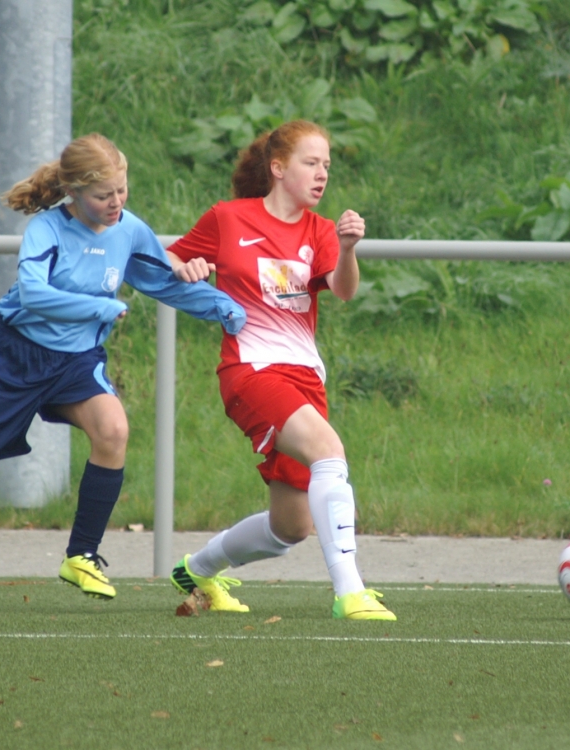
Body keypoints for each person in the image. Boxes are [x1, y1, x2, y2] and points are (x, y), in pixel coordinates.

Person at [0, 133, 244, 611]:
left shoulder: (128, 229)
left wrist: (225, 309)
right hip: (11, 361)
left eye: (122, 190)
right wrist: (100, 307)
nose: (116, 202)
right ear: (74, 192)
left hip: (75, 362)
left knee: (113, 430)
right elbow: (34, 295)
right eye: (104, 195)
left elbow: (163, 283)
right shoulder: (46, 230)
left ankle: (81, 554)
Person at [165, 120, 396, 621]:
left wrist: (350, 248)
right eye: (311, 163)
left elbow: (344, 290)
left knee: (289, 529)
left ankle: (198, 569)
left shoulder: (321, 230)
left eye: (327, 166)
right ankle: (351, 592)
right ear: (277, 168)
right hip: (251, 372)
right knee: (329, 451)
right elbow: (167, 257)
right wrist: (184, 267)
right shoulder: (229, 219)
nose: (322, 175)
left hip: (305, 378)